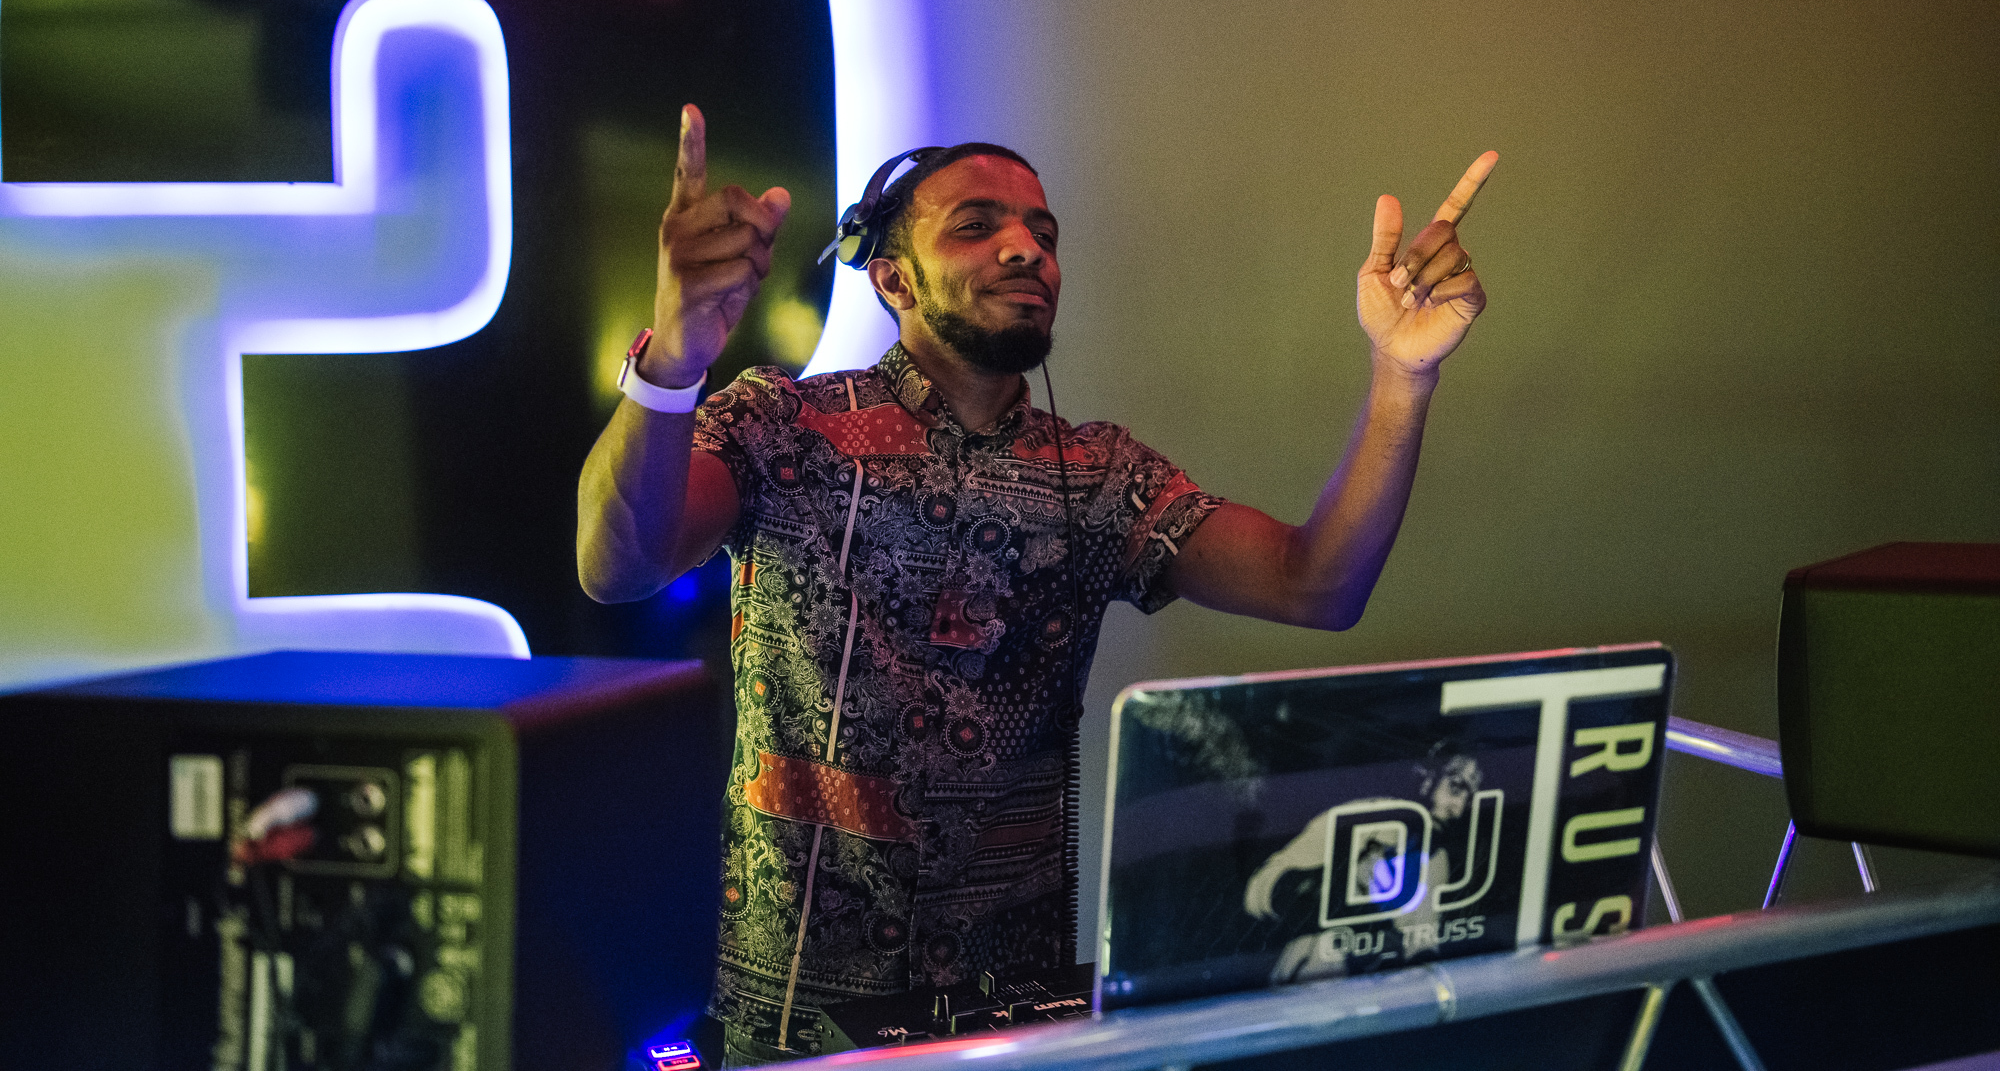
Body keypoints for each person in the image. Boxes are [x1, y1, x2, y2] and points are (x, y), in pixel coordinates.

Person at [578, 104, 1496, 1063]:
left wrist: (1401, 376)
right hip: (797, 1021)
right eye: (976, 226)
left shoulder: (1101, 476)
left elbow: (1316, 586)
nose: (1026, 250)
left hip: (1013, 1020)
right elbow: (617, 564)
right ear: (892, 277)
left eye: (1043, 234)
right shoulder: (782, 425)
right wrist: (673, 363)